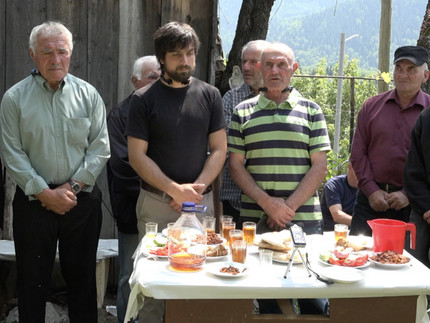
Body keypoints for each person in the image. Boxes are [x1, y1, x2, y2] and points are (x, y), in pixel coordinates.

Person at [0, 21, 110, 322]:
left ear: (70, 54)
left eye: (62, 51)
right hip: (34, 203)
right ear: (32, 54)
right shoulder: (14, 99)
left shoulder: (88, 95)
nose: (55, 59)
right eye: (47, 52)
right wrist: (44, 193)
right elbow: (12, 152)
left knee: (82, 281)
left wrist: (70, 189)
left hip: (82, 202)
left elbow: (100, 147)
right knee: (31, 282)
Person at [126, 21, 226, 322]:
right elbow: (136, 156)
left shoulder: (210, 95)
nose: (185, 61)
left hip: (201, 204)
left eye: (190, 53)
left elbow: (219, 149)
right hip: (157, 206)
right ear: (162, 59)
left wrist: (193, 190)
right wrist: (174, 190)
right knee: (154, 286)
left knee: (199, 281)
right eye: (176, 54)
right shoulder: (143, 100)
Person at [228, 42, 331, 235]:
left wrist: (284, 209)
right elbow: (235, 166)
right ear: (260, 68)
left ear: (294, 69)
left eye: (282, 64)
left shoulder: (312, 111)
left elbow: (320, 167)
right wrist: (268, 204)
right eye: (268, 64)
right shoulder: (242, 111)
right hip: (254, 220)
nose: (274, 71)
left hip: (304, 221)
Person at [350, 45, 430, 237]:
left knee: (404, 263)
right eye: (399, 68)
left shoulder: (429, 114)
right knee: (357, 258)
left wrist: (407, 194)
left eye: (411, 69)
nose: (403, 75)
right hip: (369, 203)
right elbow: (358, 154)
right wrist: (371, 191)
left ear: (425, 75)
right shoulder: (371, 106)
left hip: (413, 208)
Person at [106, 55, 160, 323]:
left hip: (167, 205)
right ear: (134, 80)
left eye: (160, 77)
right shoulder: (120, 115)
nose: (157, 82)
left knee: (163, 270)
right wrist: (160, 188)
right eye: (151, 77)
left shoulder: (167, 110)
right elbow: (123, 165)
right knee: (130, 271)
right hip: (132, 207)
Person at [219, 40, 269, 224]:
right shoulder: (231, 99)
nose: (246, 67)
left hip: (278, 203)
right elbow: (224, 149)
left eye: (252, 62)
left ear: (267, 63)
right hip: (236, 200)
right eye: (244, 61)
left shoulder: (286, 101)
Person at [403, 108, 430, 268]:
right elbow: (413, 171)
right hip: (423, 212)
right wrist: (427, 208)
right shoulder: (426, 118)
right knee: (411, 271)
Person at [321, 162, 358, 231]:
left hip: (355, 232)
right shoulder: (333, 185)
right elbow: (337, 215)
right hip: (331, 232)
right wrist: (363, 224)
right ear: (350, 167)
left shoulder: (366, 187)